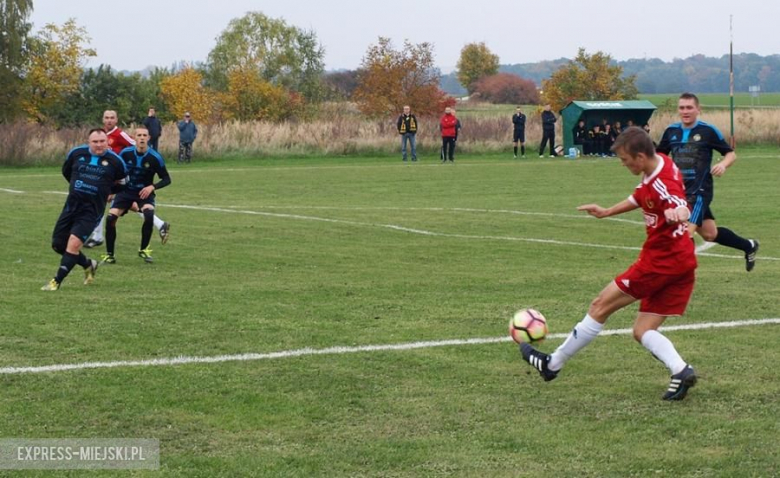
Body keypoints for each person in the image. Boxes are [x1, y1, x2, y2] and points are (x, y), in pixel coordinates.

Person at [519, 127, 699, 400]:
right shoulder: (659, 164)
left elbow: (679, 203)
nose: (623, 164)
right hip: (682, 262)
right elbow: (639, 197)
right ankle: (681, 370)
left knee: (599, 306)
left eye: (625, 160)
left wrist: (679, 211)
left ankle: (552, 365)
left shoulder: (662, 183)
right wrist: (606, 212)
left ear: (640, 156)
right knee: (642, 331)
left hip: (660, 263)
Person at [656, 92, 759, 271]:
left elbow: (730, 153)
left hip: (701, 190)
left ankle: (673, 277)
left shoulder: (708, 131)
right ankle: (749, 245)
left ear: (698, 109)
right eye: (682, 107)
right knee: (710, 234)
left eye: (689, 107)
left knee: (685, 232)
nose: (685, 111)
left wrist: (724, 165)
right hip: (679, 190)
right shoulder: (671, 131)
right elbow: (660, 157)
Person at [41, 129, 127, 291]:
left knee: (73, 245)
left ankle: (56, 281)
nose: (99, 145)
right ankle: (89, 264)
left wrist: (108, 191)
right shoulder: (76, 153)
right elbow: (67, 172)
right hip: (71, 206)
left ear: (107, 142)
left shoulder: (116, 161)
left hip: (92, 210)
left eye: (102, 141)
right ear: (89, 142)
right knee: (58, 245)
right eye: (95, 142)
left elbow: (124, 183)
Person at [85, 110, 170, 248]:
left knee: (101, 202)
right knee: (113, 204)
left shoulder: (120, 134)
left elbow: (136, 145)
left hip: (120, 177)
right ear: (103, 119)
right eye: (106, 118)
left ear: (116, 120)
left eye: (112, 118)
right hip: (107, 174)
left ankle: (98, 236)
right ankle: (159, 224)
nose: (109, 120)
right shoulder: (102, 135)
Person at [102, 127, 171, 264]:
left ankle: (144, 250)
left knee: (149, 215)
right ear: (134, 138)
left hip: (143, 194)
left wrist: (152, 187)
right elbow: (115, 171)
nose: (141, 138)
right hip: (125, 192)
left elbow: (167, 179)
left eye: (144, 135)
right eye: (139, 135)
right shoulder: (125, 153)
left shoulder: (155, 157)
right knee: (111, 218)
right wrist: (112, 190)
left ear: (149, 138)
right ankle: (110, 255)